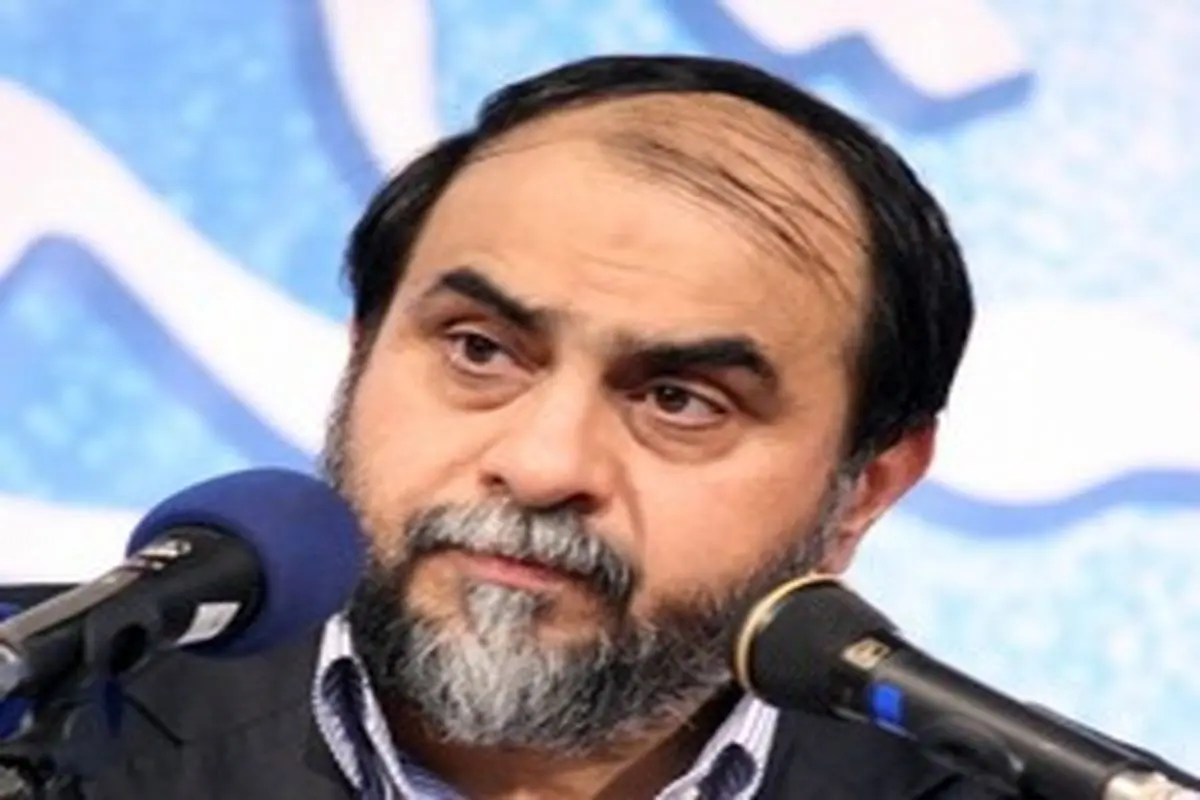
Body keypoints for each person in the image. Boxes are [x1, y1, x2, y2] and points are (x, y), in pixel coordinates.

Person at [78, 54, 997, 798]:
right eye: (479, 350)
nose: (541, 464)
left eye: (679, 399)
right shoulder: (50, 712)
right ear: (362, 352)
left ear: (864, 492)